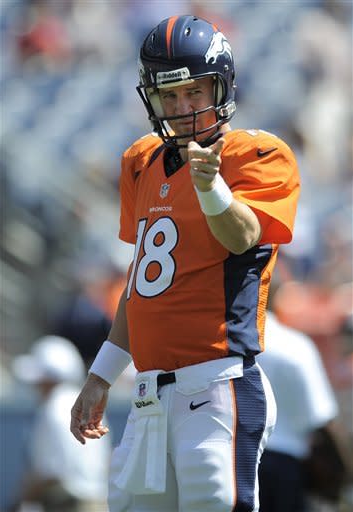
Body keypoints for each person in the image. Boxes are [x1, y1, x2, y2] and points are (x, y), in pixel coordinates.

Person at [70, 14, 300, 512]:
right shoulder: (142, 160)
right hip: (149, 396)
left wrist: (211, 188)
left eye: (194, 92)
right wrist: (101, 375)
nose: (182, 108)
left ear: (221, 86)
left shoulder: (256, 154)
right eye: (169, 97)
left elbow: (242, 238)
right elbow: (144, 283)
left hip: (216, 386)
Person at [12, 335, 111, 512]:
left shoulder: (53, 407)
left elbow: (49, 473)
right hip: (99, 502)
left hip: (69, 505)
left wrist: (22, 499)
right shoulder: (85, 402)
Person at [258, 311, 340, 512]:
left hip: (237, 461)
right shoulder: (295, 345)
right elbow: (320, 415)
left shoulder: (222, 344)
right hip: (286, 467)